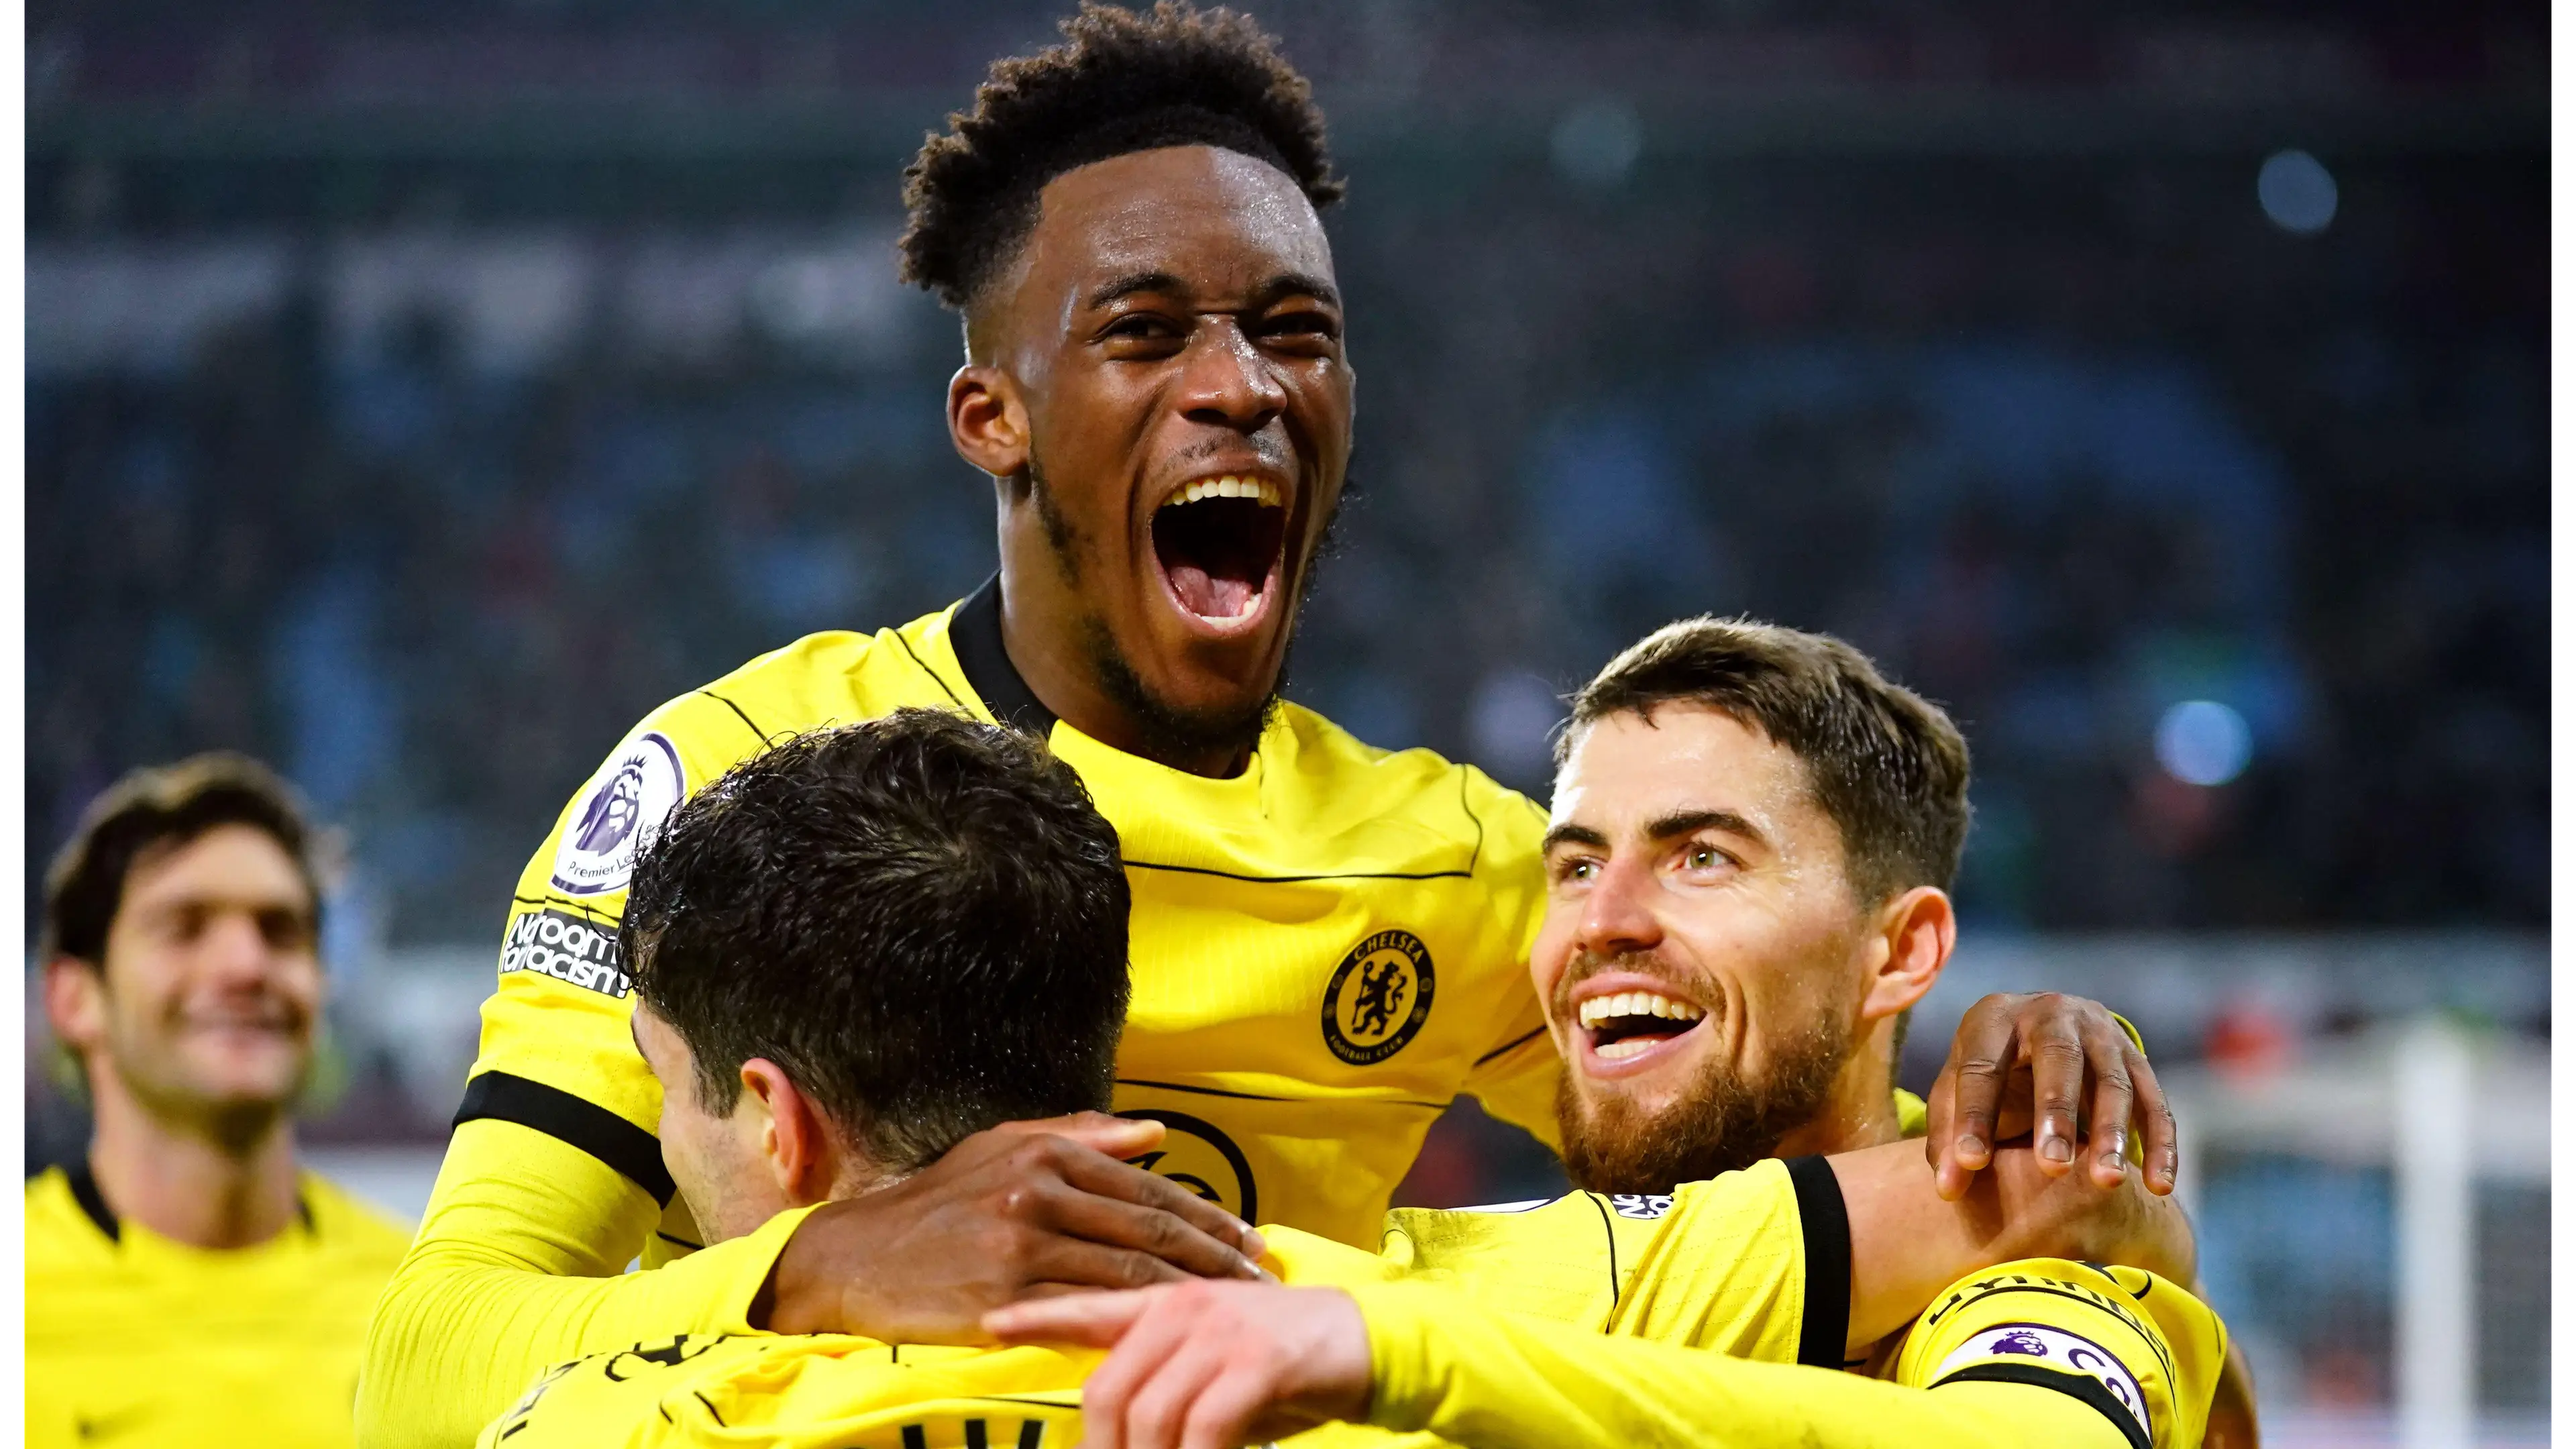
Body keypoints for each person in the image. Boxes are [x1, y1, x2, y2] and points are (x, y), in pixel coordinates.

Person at [360, 9, 2166, 1443]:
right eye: (1147, 332)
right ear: (993, 414)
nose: (1241, 385)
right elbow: (427, 1366)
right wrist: (824, 1270)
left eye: (1293, 332)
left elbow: (1778, 1167)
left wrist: (1985, 1043)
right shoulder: (733, 788)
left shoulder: (1455, 865)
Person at [475, 708, 2206, 1448]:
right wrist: (2061, 1050)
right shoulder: (1366, 1307)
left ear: (770, 1120)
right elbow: (2046, 1188)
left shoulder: (583, 1410)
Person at [1001, 616, 2242, 1448]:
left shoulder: (2042, 1259)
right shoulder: (1462, 1280)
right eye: (1578, 864)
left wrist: (1410, 1358)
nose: (1609, 922)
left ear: (1899, 952)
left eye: (1704, 858)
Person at [23, 754, 413, 1449]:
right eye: (183, 927)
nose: (245, 966)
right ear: (74, 997)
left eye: (281, 930)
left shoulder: (417, 1307)